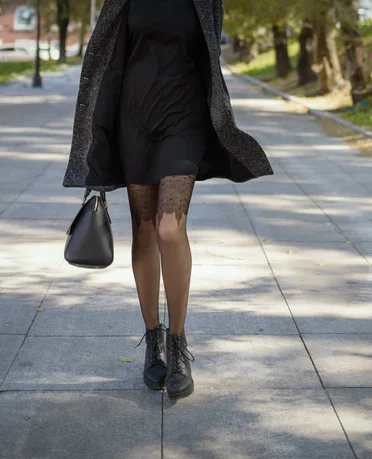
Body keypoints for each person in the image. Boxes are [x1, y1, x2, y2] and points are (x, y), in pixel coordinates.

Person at [62, 0, 274, 401]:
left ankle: (178, 344)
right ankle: (152, 339)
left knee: (168, 228)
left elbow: (209, 56)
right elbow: (106, 60)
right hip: (134, 119)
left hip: (184, 118)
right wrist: (98, 143)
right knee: (144, 230)